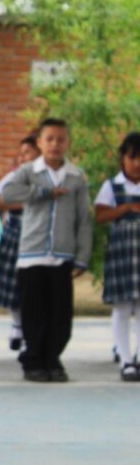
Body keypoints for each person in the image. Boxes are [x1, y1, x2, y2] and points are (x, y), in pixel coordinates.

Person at [1, 117, 92, 383]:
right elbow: (7, 194)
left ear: (68, 143)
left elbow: (83, 219)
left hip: (62, 255)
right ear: (40, 142)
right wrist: (41, 192)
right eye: (49, 139)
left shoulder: (76, 177)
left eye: (60, 139)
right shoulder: (29, 171)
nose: (55, 144)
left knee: (60, 314)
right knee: (34, 312)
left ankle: (53, 360)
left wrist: (82, 256)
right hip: (32, 254)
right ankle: (34, 361)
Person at [94, 131, 140, 380]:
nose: (137, 164)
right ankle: (126, 360)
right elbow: (101, 215)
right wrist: (127, 208)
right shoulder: (112, 186)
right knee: (122, 308)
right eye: (132, 157)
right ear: (122, 158)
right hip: (123, 254)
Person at [0, 134, 40, 353]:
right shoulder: (15, 176)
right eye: (21, 153)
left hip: (38, 235)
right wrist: (23, 203)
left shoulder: (46, 178)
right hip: (15, 233)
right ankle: (17, 325)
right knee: (14, 284)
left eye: (27, 153)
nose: (22, 157)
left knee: (34, 286)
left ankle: (31, 331)